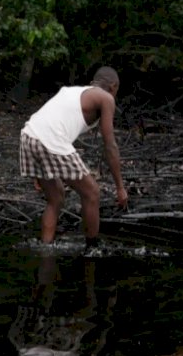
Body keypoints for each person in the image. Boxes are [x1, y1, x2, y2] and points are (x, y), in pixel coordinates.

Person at [19, 66, 128, 249]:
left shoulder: (71, 91)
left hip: (28, 136)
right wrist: (120, 187)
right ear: (114, 86)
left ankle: (46, 249)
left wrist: (39, 171)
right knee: (92, 192)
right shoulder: (106, 97)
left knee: (56, 198)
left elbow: (48, 122)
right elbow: (110, 145)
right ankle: (92, 250)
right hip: (50, 140)